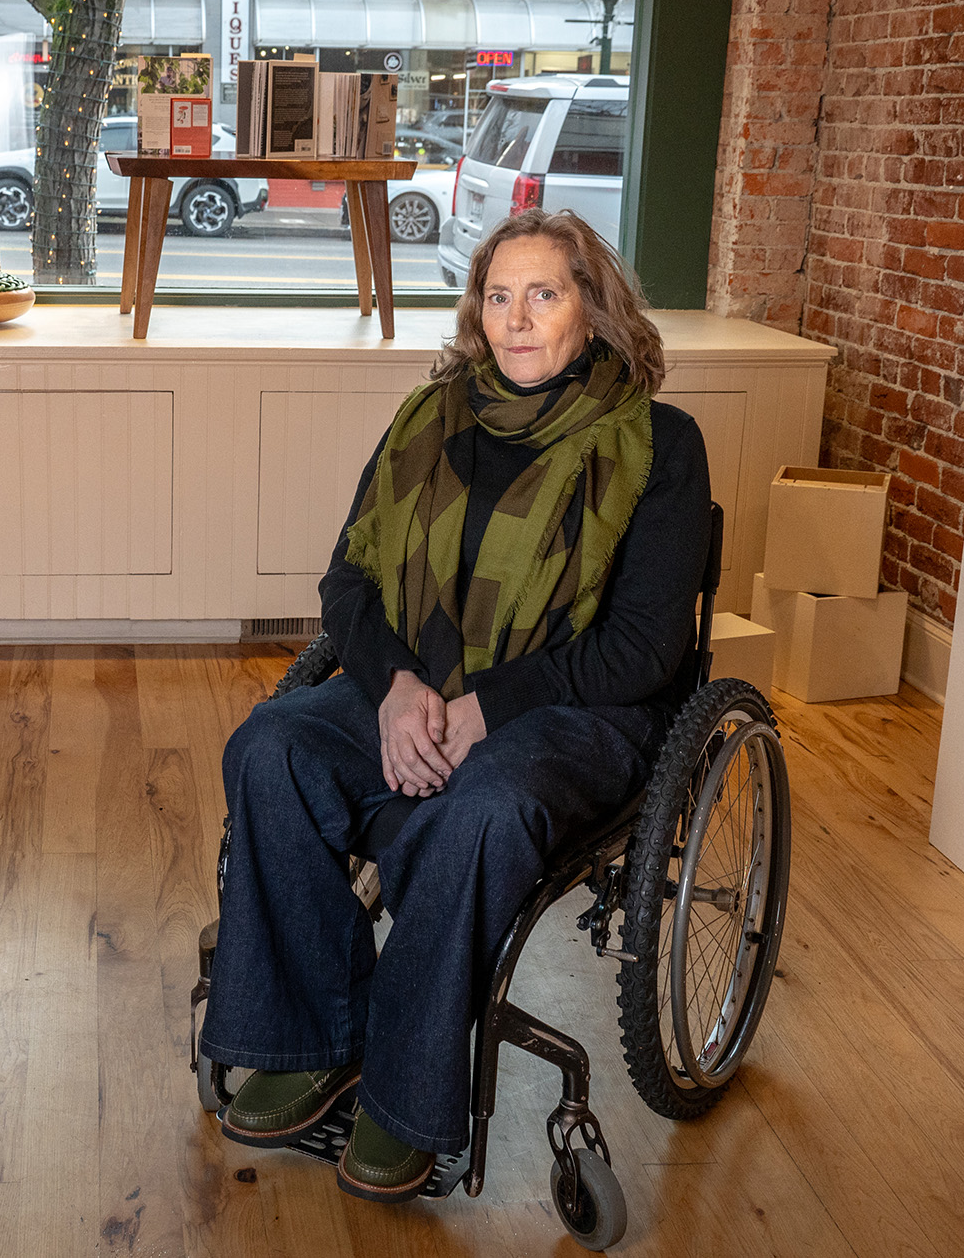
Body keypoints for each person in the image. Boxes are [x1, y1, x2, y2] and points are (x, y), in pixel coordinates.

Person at [198, 209, 712, 1203]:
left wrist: (488, 706)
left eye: (543, 294)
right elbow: (348, 581)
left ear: (593, 309)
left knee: (476, 813)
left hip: (575, 711)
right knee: (271, 746)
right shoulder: (429, 419)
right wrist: (396, 685)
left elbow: (645, 649)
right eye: (498, 295)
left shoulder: (658, 445)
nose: (516, 319)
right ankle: (317, 1041)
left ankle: (403, 1098)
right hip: (417, 688)